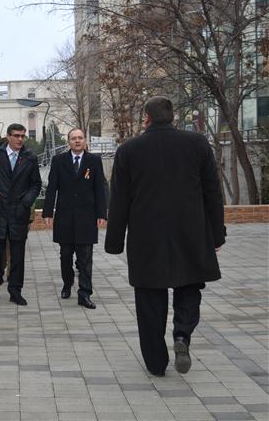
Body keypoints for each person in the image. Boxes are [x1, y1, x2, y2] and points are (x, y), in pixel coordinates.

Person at [105, 96, 225, 376]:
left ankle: (156, 363)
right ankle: (182, 335)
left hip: (147, 237)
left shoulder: (128, 150)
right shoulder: (197, 144)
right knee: (190, 287)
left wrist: (114, 242)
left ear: (146, 117)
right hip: (191, 233)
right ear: (172, 117)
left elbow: (120, 200)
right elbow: (212, 193)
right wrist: (216, 234)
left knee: (149, 299)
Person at [0, 123, 42, 306]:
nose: (20, 139)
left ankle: (15, 290)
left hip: (18, 212)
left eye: (23, 136)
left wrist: (26, 202)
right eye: (16, 136)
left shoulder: (30, 157)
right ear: (8, 136)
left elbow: (36, 184)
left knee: (17, 255)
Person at [42, 128, 107, 309]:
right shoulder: (59, 161)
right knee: (65, 255)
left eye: (80, 138)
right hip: (65, 216)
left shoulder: (94, 161)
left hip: (87, 216)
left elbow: (100, 189)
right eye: (73, 138)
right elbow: (52, 187)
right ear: (68, 142)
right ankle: (67, 282)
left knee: (85, 257)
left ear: (84, 140)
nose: (77, 141)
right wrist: (48, 212)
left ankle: (85, 293)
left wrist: (102, 213)